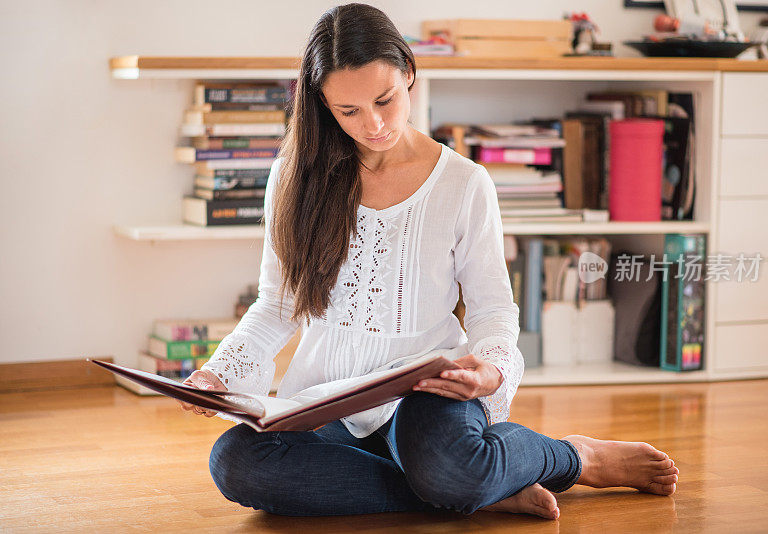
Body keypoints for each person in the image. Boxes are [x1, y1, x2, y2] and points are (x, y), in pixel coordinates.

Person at [178, 3, 679, 519]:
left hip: (426, 396)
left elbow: (493, 311)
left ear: (409, 74)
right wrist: (218, 377)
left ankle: (573, 456)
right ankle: (475, 486)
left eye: (385, 100)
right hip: (326, 403)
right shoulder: (292, 178)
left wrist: (491, 371)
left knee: (445, 462)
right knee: (235, 462)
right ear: (322, 105)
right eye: (348, 112)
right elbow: (276, 305)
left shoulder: (463, 183)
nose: (373, 125)